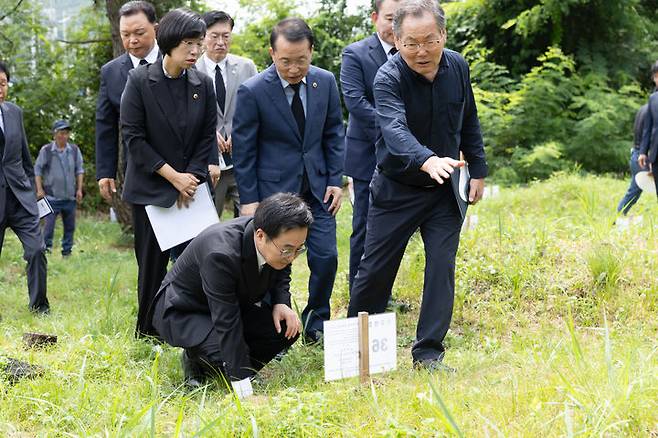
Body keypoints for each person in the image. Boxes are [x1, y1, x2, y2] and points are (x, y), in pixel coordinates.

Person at [347, 0, 488, 371]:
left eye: (429, 40)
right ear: (396, 39)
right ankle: (356, 352)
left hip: (445, 188)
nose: (421, 51)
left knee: (441, 266)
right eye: (411, 43)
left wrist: (480, 170)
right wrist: (427, 159)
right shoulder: (387, 77)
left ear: (443, 35)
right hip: (398, 188)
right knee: (374, 270)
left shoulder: (457, 65)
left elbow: (468, 117)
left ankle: (428, 353)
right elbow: (393, 130)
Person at [232, 18, 344, 343]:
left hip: (318, 190)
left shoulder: (325, 82)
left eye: (301, 60)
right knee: (273, 262)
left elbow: (334, 133)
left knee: (326, 257)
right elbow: (245, 149)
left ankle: (316, 322)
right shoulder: (253, 91)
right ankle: (275, 329)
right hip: (274, 194)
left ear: (311, 51)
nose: (294, 68)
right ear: (271, 53)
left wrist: (335, 179)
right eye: (285, 61)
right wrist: (250, 198)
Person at [120, 8, 217, 337]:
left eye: (199, 44)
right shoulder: (140, 81)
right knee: (151, 268)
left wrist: (190, 178)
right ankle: (147, 332)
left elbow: (206, 137)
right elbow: (134, 138)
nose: (195, 51)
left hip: (190, 191)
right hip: (151, 189)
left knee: (197, 265)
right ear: (169, 42)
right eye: (189, 43)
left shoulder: (202, 83)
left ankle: (191, 328)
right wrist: (172, 176)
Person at [149, 193, 309, 387]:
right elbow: (227, 323)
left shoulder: (272, 239)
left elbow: (283, 266)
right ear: (260, 236)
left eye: (298, 249)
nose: (292, 257)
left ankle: (230, 365)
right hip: (185, 310)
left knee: (285, 330)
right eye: (287, 250)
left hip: (231, 302)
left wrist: (281, 301)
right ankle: (196, 358)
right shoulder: (220, 254)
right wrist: (243, 387)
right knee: (221, 349)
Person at [341, 0, 400, 293]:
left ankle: (383, 292)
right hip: (367, 155)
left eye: (401, 18)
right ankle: (359, 292)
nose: (395, 25)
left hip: (405, 157)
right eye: (390, 18)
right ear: (375, 17)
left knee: (393, 230)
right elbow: (355, 102)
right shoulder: (356, 53)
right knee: (364, 227)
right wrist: (396, 130)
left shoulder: (411, 51)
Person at [95, 1, 160, 202]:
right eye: (125, 34)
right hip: (137, 167)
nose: (132, 40)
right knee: (143, 232)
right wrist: (105, 171)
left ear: (155, 29)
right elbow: (105, 124)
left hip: (179, 165)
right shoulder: (111, 72)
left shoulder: (176, 61)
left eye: (139, 33)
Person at [197, 10, 257, 219]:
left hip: (242, 159)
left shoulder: (246, 67)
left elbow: (256, 108)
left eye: (226, 36)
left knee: (249, 221)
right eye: (214, 36)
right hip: (207, 162)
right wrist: (209, 133)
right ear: (203, 36)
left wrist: (239, 132)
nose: (220, 42)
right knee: (208, 225)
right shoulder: (191, 68)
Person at [0, 61, 49, 314]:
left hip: (21, 198)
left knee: (37, 249)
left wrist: (32, 189)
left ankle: (39, 306)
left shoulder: (14, 112)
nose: (0, 89)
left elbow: (25, 157)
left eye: (3, 83)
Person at [34, 120, 84, 256]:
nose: (64, 136)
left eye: (66, 133)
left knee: (70, 227)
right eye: (62, 133)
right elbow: (37, 170)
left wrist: (79, 190)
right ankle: (46, 250)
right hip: (51, 197)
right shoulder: (46, 151)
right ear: (55, 134)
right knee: (48, 227)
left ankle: (67, 252)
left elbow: (79, 170)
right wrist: (39, 190)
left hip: (69, 197)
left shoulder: (74, 150)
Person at [636, 61, 658, 193]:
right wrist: (643, 152)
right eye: (656, 76)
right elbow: (648, 128)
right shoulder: (653, 99)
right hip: (656, 154)